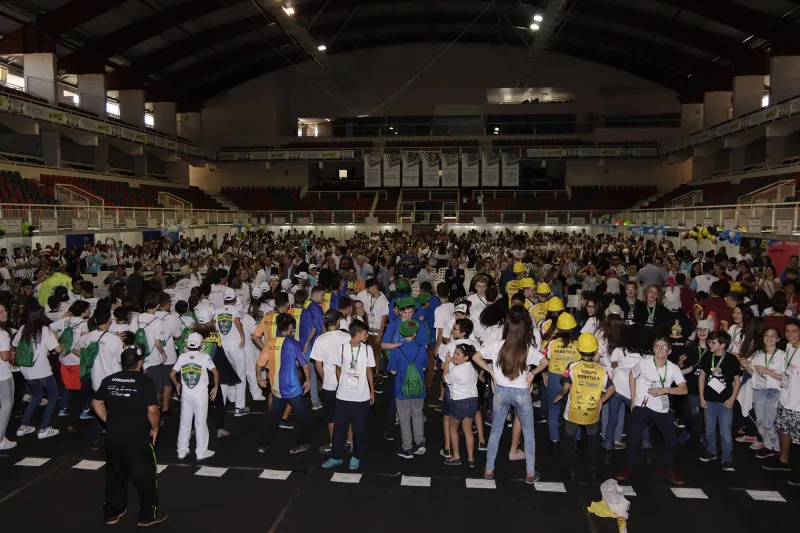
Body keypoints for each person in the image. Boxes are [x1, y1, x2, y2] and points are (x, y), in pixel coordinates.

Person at [471, 306, 549, 484]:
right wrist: (532, 374)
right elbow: (545, 362)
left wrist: (491, 371)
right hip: (521, 392)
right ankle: (530, 473)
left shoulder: (497, 345)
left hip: (501, 392)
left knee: (496, 432)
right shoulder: (527, 348)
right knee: (529, 433)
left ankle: (489, 470)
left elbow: (476, 357)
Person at [91, 346, 167, 527]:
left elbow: (96, 402)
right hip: (137, 437)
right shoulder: (146, 383)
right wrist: (155, 429)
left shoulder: (109, 379)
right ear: (140, 363)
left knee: (115, 475)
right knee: (145, 476)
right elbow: (153, 410)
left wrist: (108, 420)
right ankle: (148, 515)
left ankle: (112, 512)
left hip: (113, 436)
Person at [616, 338, 688, 485]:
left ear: (670, 350)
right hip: (643, 406)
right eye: (656, 346)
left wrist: (665, 390)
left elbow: (684, 389)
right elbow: (632, 375)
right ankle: (627, 467)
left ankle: (669, 469)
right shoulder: (644, 363)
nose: (659, 349)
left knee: (672, 442)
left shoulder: (673, 368)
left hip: (662, 408)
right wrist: (634, 397)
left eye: (663, 347)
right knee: (633, 439)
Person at [553, 332, 615, 480]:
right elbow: (612, 388)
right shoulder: (602, 370)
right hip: (592, 411)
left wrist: (560, 395)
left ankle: (571, 470)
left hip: (574, 410)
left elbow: (566, 387)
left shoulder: (573, 366)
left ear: (579, 350)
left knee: (569, 439)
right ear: (594, 351)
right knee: (593, 441)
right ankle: (593, 470)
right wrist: (601, 401)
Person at [322, 319, 376, 471]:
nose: (367, 335)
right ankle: (336, 456)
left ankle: (356, 457)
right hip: (343, 396)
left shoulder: (367, 349)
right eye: (365, 333)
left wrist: (372, 390)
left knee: (360, 429)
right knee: (340, 428)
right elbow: (338, 368)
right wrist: (343, 383)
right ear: (357, 334)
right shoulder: (342, 349)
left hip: (361, 396)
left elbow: (369, 371)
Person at [256, 313, 311, 455]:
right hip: (292, 389)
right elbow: (304, 365)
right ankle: (297, 445)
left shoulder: (270, 343)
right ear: (290, 327)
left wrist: (259, 377)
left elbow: (259, 363)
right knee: (302, 417)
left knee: (273, 418)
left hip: (276, 389)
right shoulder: (293, 343)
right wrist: (308, 380)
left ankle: (262, 444)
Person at [12, 302, 65, 439]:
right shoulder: (45, 330)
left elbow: (14, 345)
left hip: (25, 369)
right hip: (41, 368)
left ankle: (23, 426)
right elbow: (58, 349)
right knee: (53, 394)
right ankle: (44, 428)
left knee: (37, 395)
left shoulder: (23, 328)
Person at [170, 332, 219, 461]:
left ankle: (181, 450)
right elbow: (215, 372)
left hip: (186, 396)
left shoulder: (182, 357)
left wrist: (177, 385)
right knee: (200, 423)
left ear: (187, 344)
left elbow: (172, 374)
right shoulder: (205, 357)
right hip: (200, 396)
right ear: (201, 344)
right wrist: (215, 388)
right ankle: (201, 451)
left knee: (184, 423)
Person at [310, 309, 353, 454]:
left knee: (331, 417)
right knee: (348, 414)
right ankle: (350, 442)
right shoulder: (348, 337)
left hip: (330, 384)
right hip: (347, 382)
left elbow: (317, 364)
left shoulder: (320, 340)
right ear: (339, 321)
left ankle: (334, 444)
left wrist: (324, 378)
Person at [698, 330, 742, 471]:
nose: (710, 344)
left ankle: (727, 458)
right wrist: (701, 397)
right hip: (709, 400)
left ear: (723, 345)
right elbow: (702, 377)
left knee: (725, 432)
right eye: (709, 341)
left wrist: (732, 399)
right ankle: (711, 450)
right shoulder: (706, 357)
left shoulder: (731, 359)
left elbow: (737, 381)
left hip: (725, 402)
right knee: (709, 429)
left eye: (713, 342)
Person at [388, 319, 428, 458]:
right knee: (418, 414)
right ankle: (420, 442)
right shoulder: (422, 349)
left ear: (401, 333)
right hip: (419, 388)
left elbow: (392, 371)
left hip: (402, 389)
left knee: (404, 417)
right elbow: (423, 368)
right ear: (415, 334)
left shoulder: (396, 351)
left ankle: (407, 447)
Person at [745, 327, 785, 460]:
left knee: (768, 423)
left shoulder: (783, 356)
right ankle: (768, 447)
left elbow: (785, 378)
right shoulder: (758, 355)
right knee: (760, 421)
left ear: (778, 339)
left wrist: (768, 371)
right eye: (766, 335)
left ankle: (777, 449)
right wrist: (746, 366)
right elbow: (753, 374)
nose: (769, 338)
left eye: (773, 336)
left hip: (774, 392)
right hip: (759, 390)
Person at [543, 312, 581, 449]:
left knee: (553, 410)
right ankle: (575, 442)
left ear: (558, 328)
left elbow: (544, 360)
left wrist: (544, 376)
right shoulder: (578, 345)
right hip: (572, 380)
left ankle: (554, 441)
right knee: (574, 410)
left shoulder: (551, 343)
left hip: (554, 378)